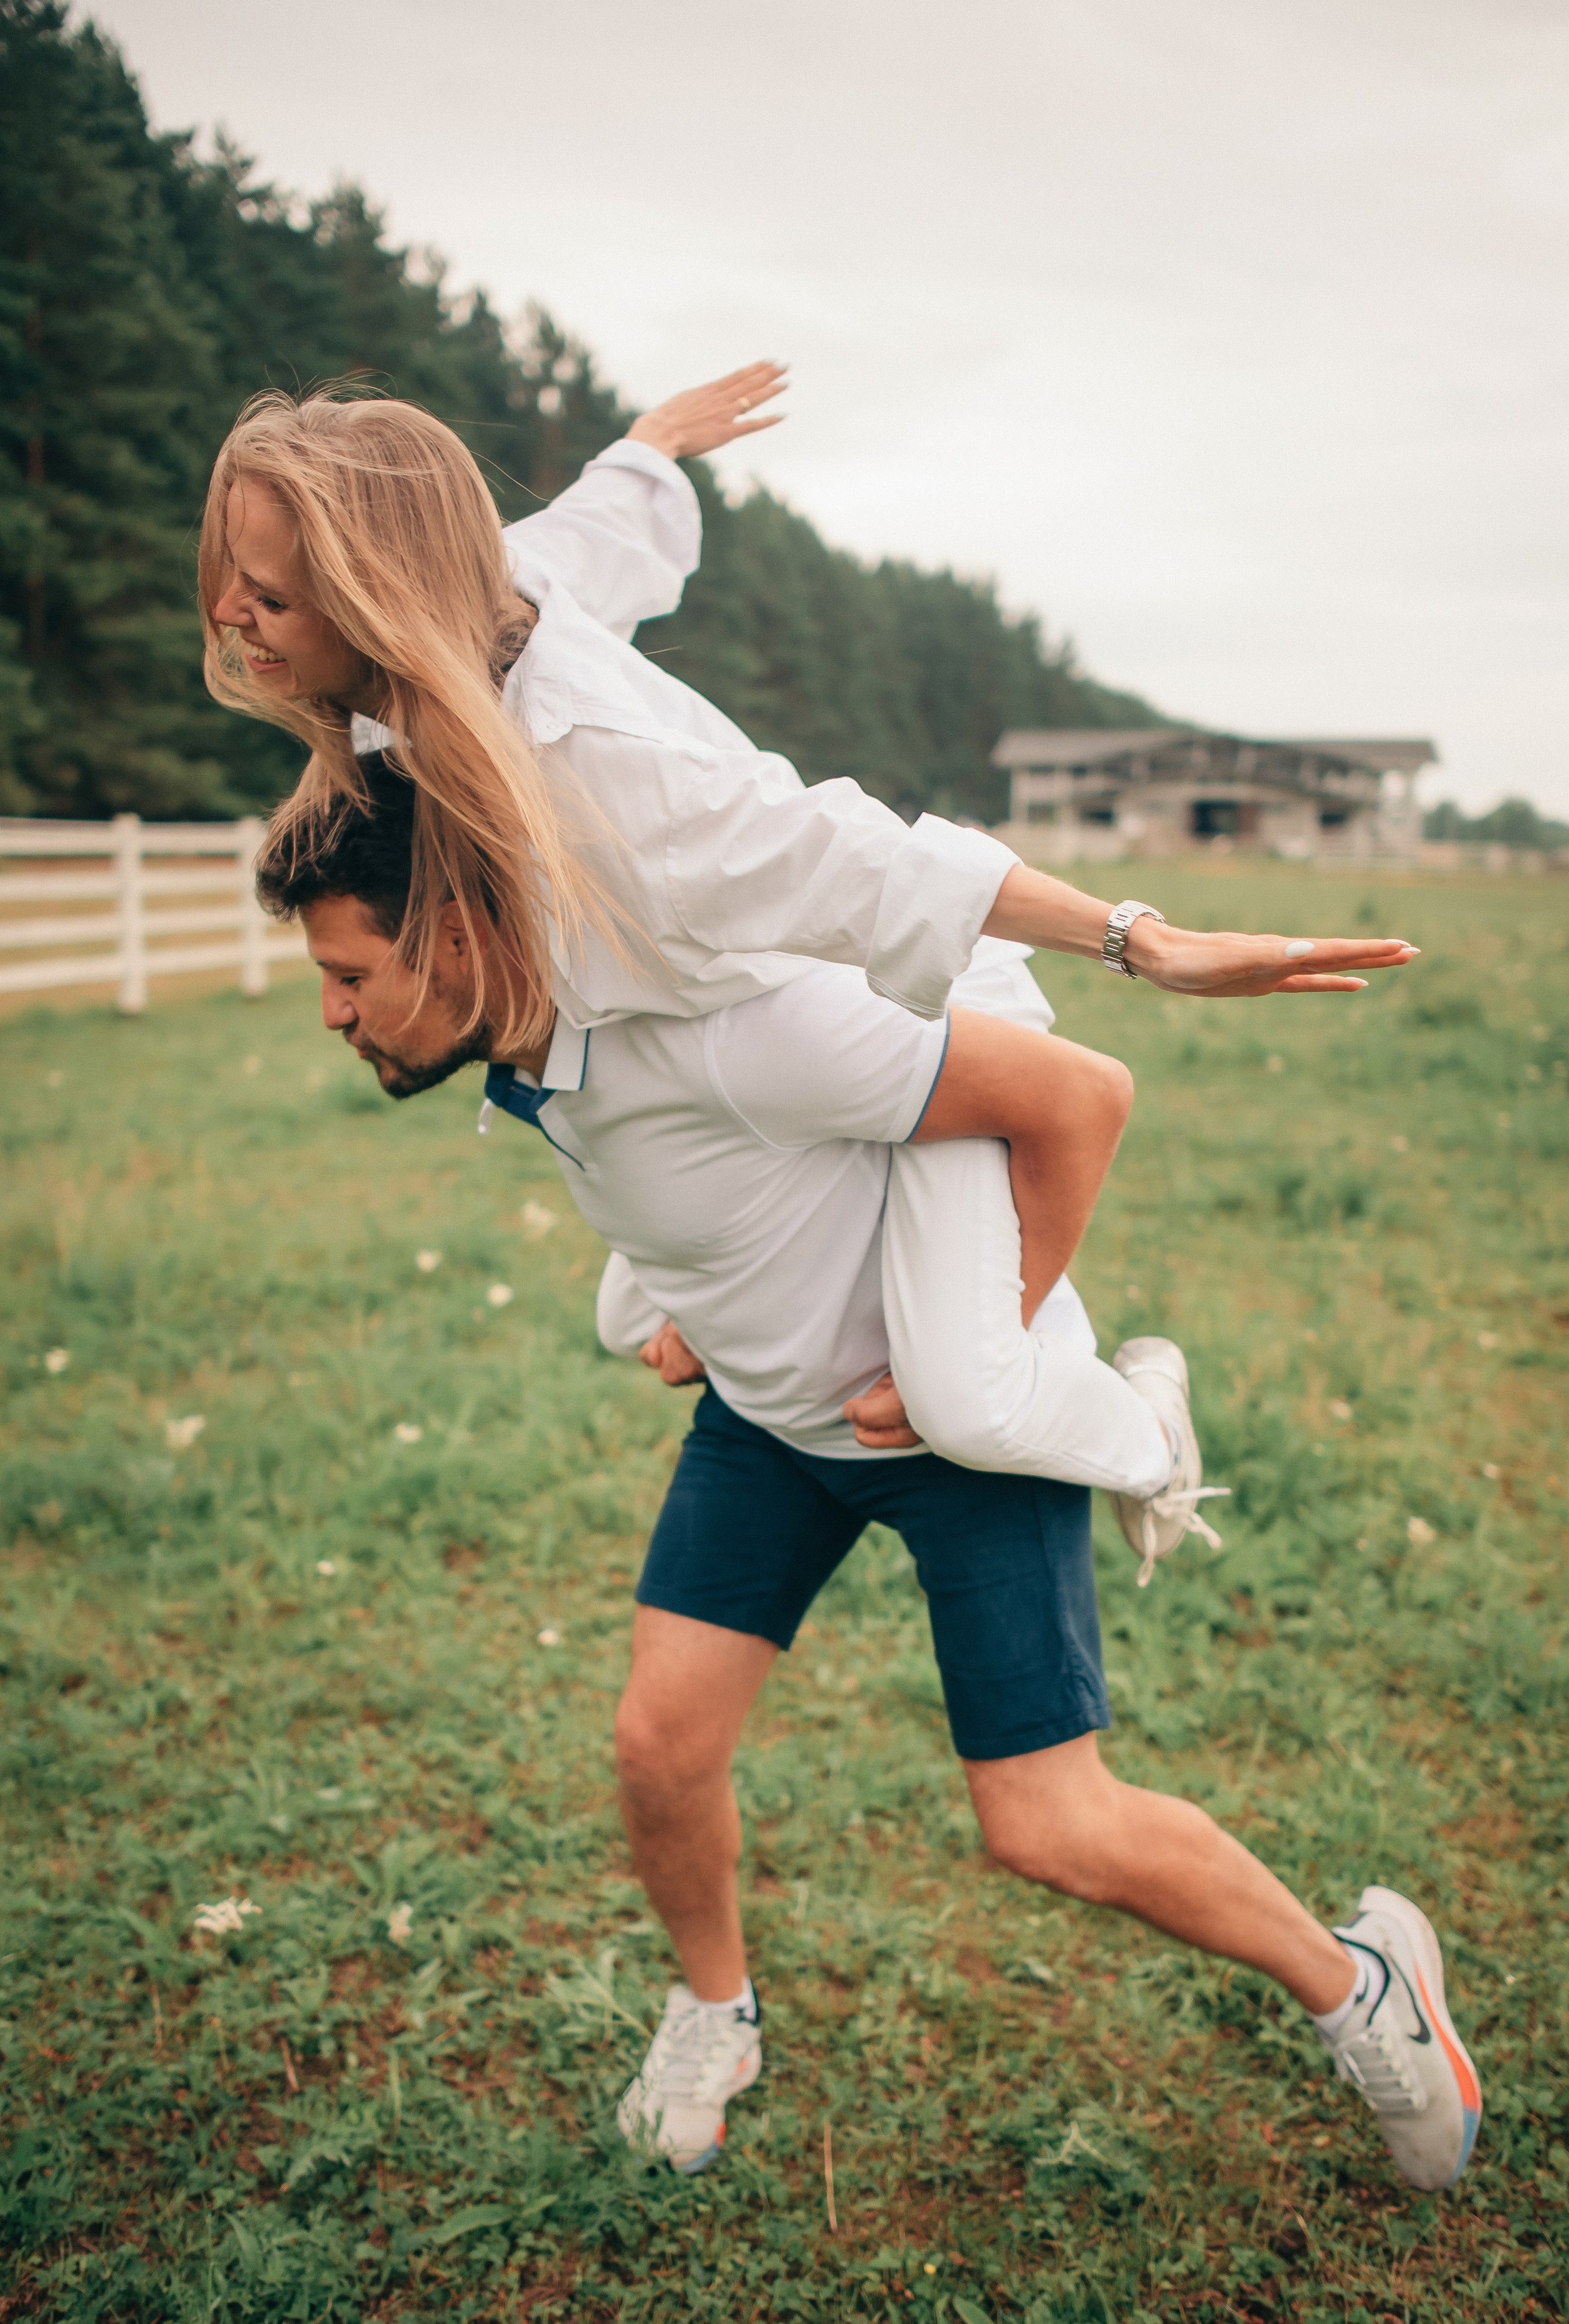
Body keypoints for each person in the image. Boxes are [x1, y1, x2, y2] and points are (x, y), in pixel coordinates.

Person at [252, 765, 1483, 2199]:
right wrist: (692, 1305)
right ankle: (716, 2014)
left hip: (946, 1445)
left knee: (1045, 1824)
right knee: (660, 1745)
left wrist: (974, 1356)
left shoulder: (733, 1036)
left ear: (457, 934)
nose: (332, 1011)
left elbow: (1078, 1095)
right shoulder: (530, 1055)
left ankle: (1358, 1985)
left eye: (349, 974)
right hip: (768, 1427)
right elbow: (708, 1193)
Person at [202, 367, 1416, 1566]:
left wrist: (1138, 939)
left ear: (374, 595)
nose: (228, 618)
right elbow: (595, 534)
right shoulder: (460, 628)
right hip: (736, 1039)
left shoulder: (604, 776)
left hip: (886, 1015)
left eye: (267, 596)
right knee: (631, 1310)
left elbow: (857, 862)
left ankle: (1142, 1421)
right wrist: (648, 445)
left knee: (969, 1395)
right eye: (229, 583)